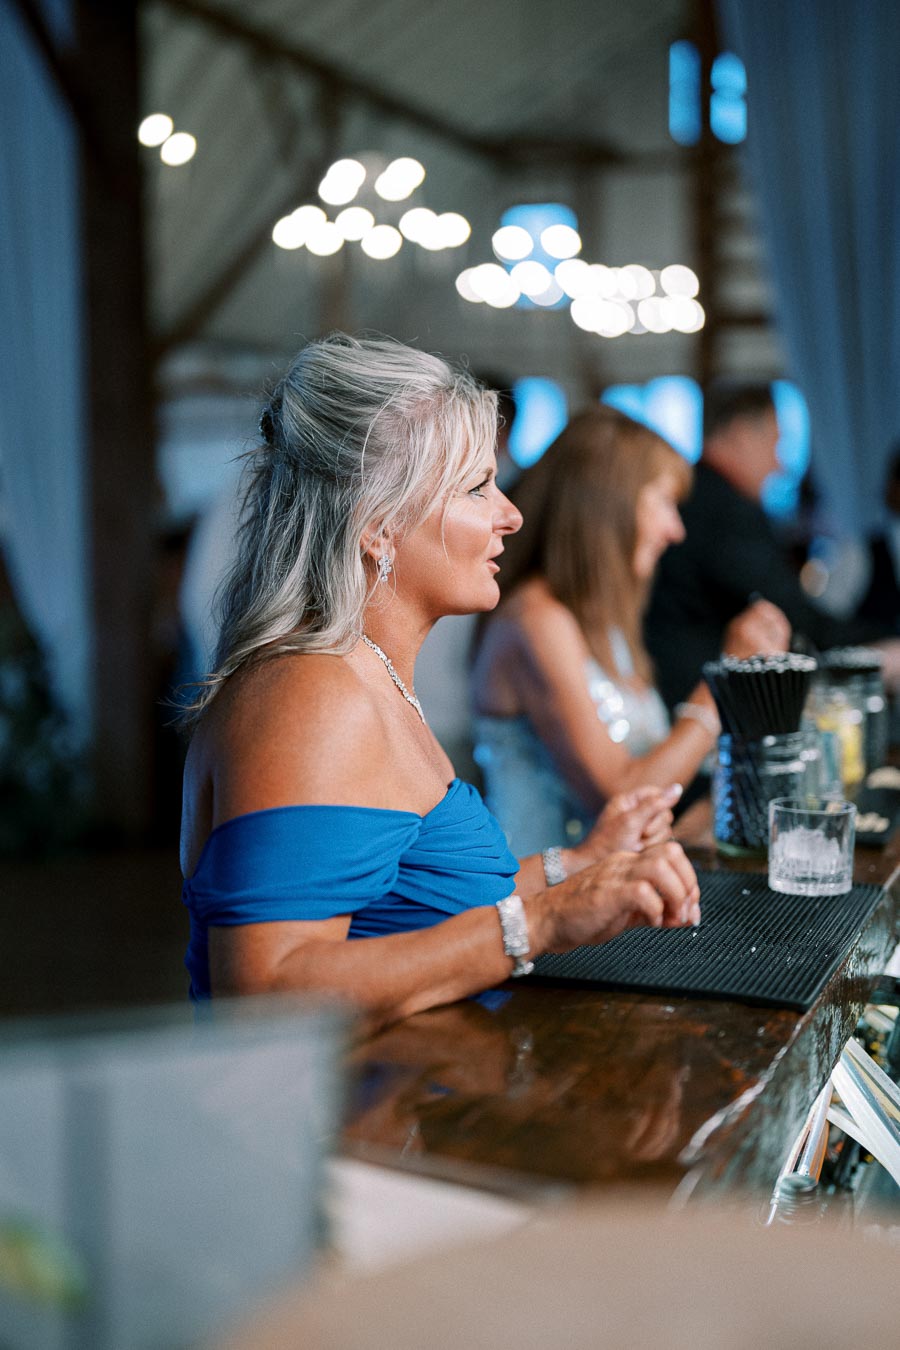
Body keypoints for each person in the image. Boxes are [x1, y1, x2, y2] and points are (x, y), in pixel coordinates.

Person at [179, 335, 700, 1029]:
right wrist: (539, 923)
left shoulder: (367, 674)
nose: (510, 513)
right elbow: (268, 990)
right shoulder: (311, 695)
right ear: (380, 524)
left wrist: (576, 863)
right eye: (478, 487)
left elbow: (416, 903)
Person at [470, 407, 790, 856]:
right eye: (663, 502)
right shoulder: (536, 620)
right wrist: (726, 680)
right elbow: (619, 799)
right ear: (609, 506)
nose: (675, 530)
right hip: (547, 901)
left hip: (609, 888)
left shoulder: (599, 618)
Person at [645, 383, 900, 711]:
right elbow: (790, 613)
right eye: (775, 444)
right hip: (697, 701)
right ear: (741, 434)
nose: (780, 465)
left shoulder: (704, 496)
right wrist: (881, 642)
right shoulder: (724, 510)